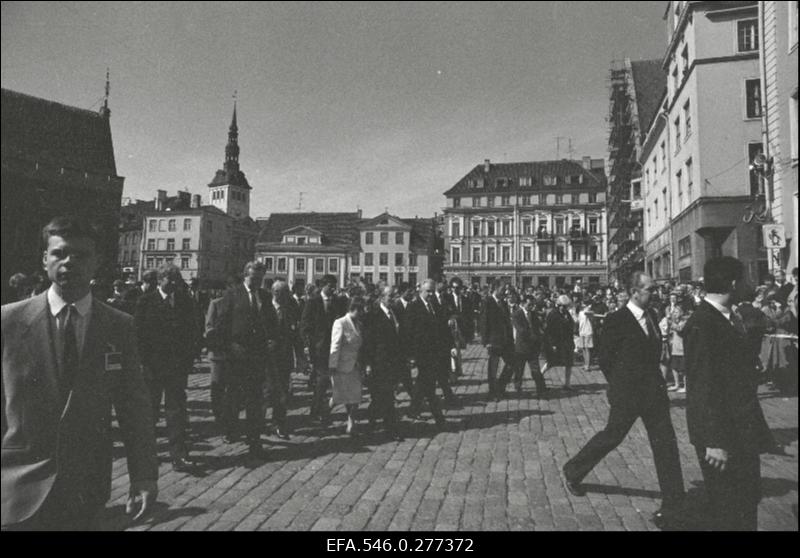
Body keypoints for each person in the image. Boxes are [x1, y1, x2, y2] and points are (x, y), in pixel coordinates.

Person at [2, 216, 157, 530]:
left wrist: (143, 474)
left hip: (85, 487)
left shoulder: (118, 325)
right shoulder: (9, 322)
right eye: (59, 253)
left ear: (97, 262)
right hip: (16, 486)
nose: (69, 262)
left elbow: (134, 407)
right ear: (44, 259)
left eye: (81, 255)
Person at [562, 272, 685, 529]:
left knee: (666, 444)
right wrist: (620, 386)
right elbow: (606, 359)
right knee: (612, 436)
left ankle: (674, 501)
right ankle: (573, 471)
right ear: (634, 291)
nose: (655, 294)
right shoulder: (617, 320)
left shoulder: (651, 316)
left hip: (654, 393)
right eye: (650, 289)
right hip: (628, 394)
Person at [683, 257, 774, 530]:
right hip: (722, 435)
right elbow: (702, 385)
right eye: (744, 279)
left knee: (745, 501)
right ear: (733, 283)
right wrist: (713, 440)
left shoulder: (728, 317)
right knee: (728, 510)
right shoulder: (704, 322)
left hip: (739, 428)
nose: (748, 285)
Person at [134, 264, 200, 471]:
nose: (173, 284)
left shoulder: (185, 302)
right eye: (169, 280)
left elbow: (194, 332)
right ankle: (146, 454)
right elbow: (138, 335)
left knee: (176, 412)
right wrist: (143, 363)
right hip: (152, 368)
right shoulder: (146, 302)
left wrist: (189, 359)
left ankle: (179, 455)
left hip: (176, 368)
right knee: (150, 412)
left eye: (176, 280)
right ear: (160, 280)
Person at [217, 261, 276, 458]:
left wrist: (272, 340)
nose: (256, 283)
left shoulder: (265, 296)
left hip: (257, 355)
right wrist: (228, 349)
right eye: (253, 279)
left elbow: (272, 322)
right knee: (233, 396)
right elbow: (222, 324)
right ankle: (230, 429)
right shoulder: (233, 294)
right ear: (245, 276)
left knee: (255, 398)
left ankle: (254, 439)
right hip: (236, 353)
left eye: (260, 279)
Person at [301, 274, 345, 424]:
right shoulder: (313, 302)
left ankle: (320, 411)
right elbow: (305, 325)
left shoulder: (336, 303)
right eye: (330, 286)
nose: (333, 289)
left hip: (333, 348)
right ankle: (316, 412)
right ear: (323, 286)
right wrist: (308, 345)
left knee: (326, 382)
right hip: (318, 348)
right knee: (323, 379)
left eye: (334, 286)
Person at [363, 287, 405, 441]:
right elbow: (368, 342)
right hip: (378, 362)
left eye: (394, 296)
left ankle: (373, 422)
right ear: (381, 298)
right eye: (389, 296)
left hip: (392, 362)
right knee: (385, 397)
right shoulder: (373, 316)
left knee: (382, 397)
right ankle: (390, 429)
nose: (392, 298)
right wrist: (368, 363)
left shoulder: (394, 313)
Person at [407, 279, 447, 426]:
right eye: (427, 291)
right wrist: (411, 355)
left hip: (434, 351)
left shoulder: (434, 305)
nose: (430, 294)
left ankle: (413, 409)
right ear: (420, 291)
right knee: (427, 383)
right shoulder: (414, 307)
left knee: (424, 383)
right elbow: (409, 332)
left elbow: (440, 327)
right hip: (421, 352)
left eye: (432, 291)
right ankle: (438, 416)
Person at [264, 280, 298, 439]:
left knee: (282, 393)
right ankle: (261, 422)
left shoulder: (290, 309)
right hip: (267, 358)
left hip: (284, 357)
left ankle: (279, 423)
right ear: (275, 293)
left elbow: (295, 334)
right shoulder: (264, 308)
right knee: (266, 392)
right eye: (283, 293)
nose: (286, 297)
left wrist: (301, 356)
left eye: (287, 294)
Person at [329, 297, 367, 435]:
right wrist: (332, 365)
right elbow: (335, 345)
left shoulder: (359, 324)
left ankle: (351, 422)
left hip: (356, 365)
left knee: (355, 396)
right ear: (354, 308)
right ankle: (325, 412)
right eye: (361, 310)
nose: (363, 312)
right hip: (342, 365)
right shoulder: (340, 323)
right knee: (339, 396)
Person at [507, 294, 547, 398]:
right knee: (519, 370)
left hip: (533, 348)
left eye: (532, 305)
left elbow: (538, 327)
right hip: (521, 347)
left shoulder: (533, 314)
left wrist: (539, 337)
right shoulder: (516, 314)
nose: (531, 307)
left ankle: (541, 390)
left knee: (536, 370)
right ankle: (518, 387)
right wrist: (533, 336)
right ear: (523, 303)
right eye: (529, 304)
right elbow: (520, 330)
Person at [480, 281, 515, 400]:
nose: (505, 292)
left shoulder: (503, 303)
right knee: (493, 369)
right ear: (495, 289)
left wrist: (510, 337)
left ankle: (500, 387)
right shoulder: (487, 302)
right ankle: (493, 392)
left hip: (505, 340)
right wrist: (486, 341)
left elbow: (507, 322)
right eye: (502, 289)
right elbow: (484, 322)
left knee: (512, 363)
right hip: (493, 340)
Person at [204, 295, 228, 425]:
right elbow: (209, 326)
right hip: (218, 352)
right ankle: (218, 414)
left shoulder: (241, 302)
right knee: (217, 384)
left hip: (234, 353)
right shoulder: (216, 303)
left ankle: (229, 415)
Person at [544, 295, 576, 389]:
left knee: (569, 363)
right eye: (561, 306)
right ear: (557, 305)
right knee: (551, 361)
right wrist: (553, 344)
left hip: (567, 341)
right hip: (557, 342)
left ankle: (567, 383)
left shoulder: (566, 313)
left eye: (565, 306)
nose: (563, 308)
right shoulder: (553, 314)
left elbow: (571, 324)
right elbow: (550, 330)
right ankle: (539, 377)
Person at [577, 303, 595, 373]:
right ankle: (585, 364)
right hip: (582, 332)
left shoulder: (587, 313)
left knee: (587, 349)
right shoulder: (580, 313)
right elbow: (578, 321)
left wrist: (588, 308)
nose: (583, 306)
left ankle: (587, 365)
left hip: (588, 331)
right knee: (583, 348)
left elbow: (591, 313)